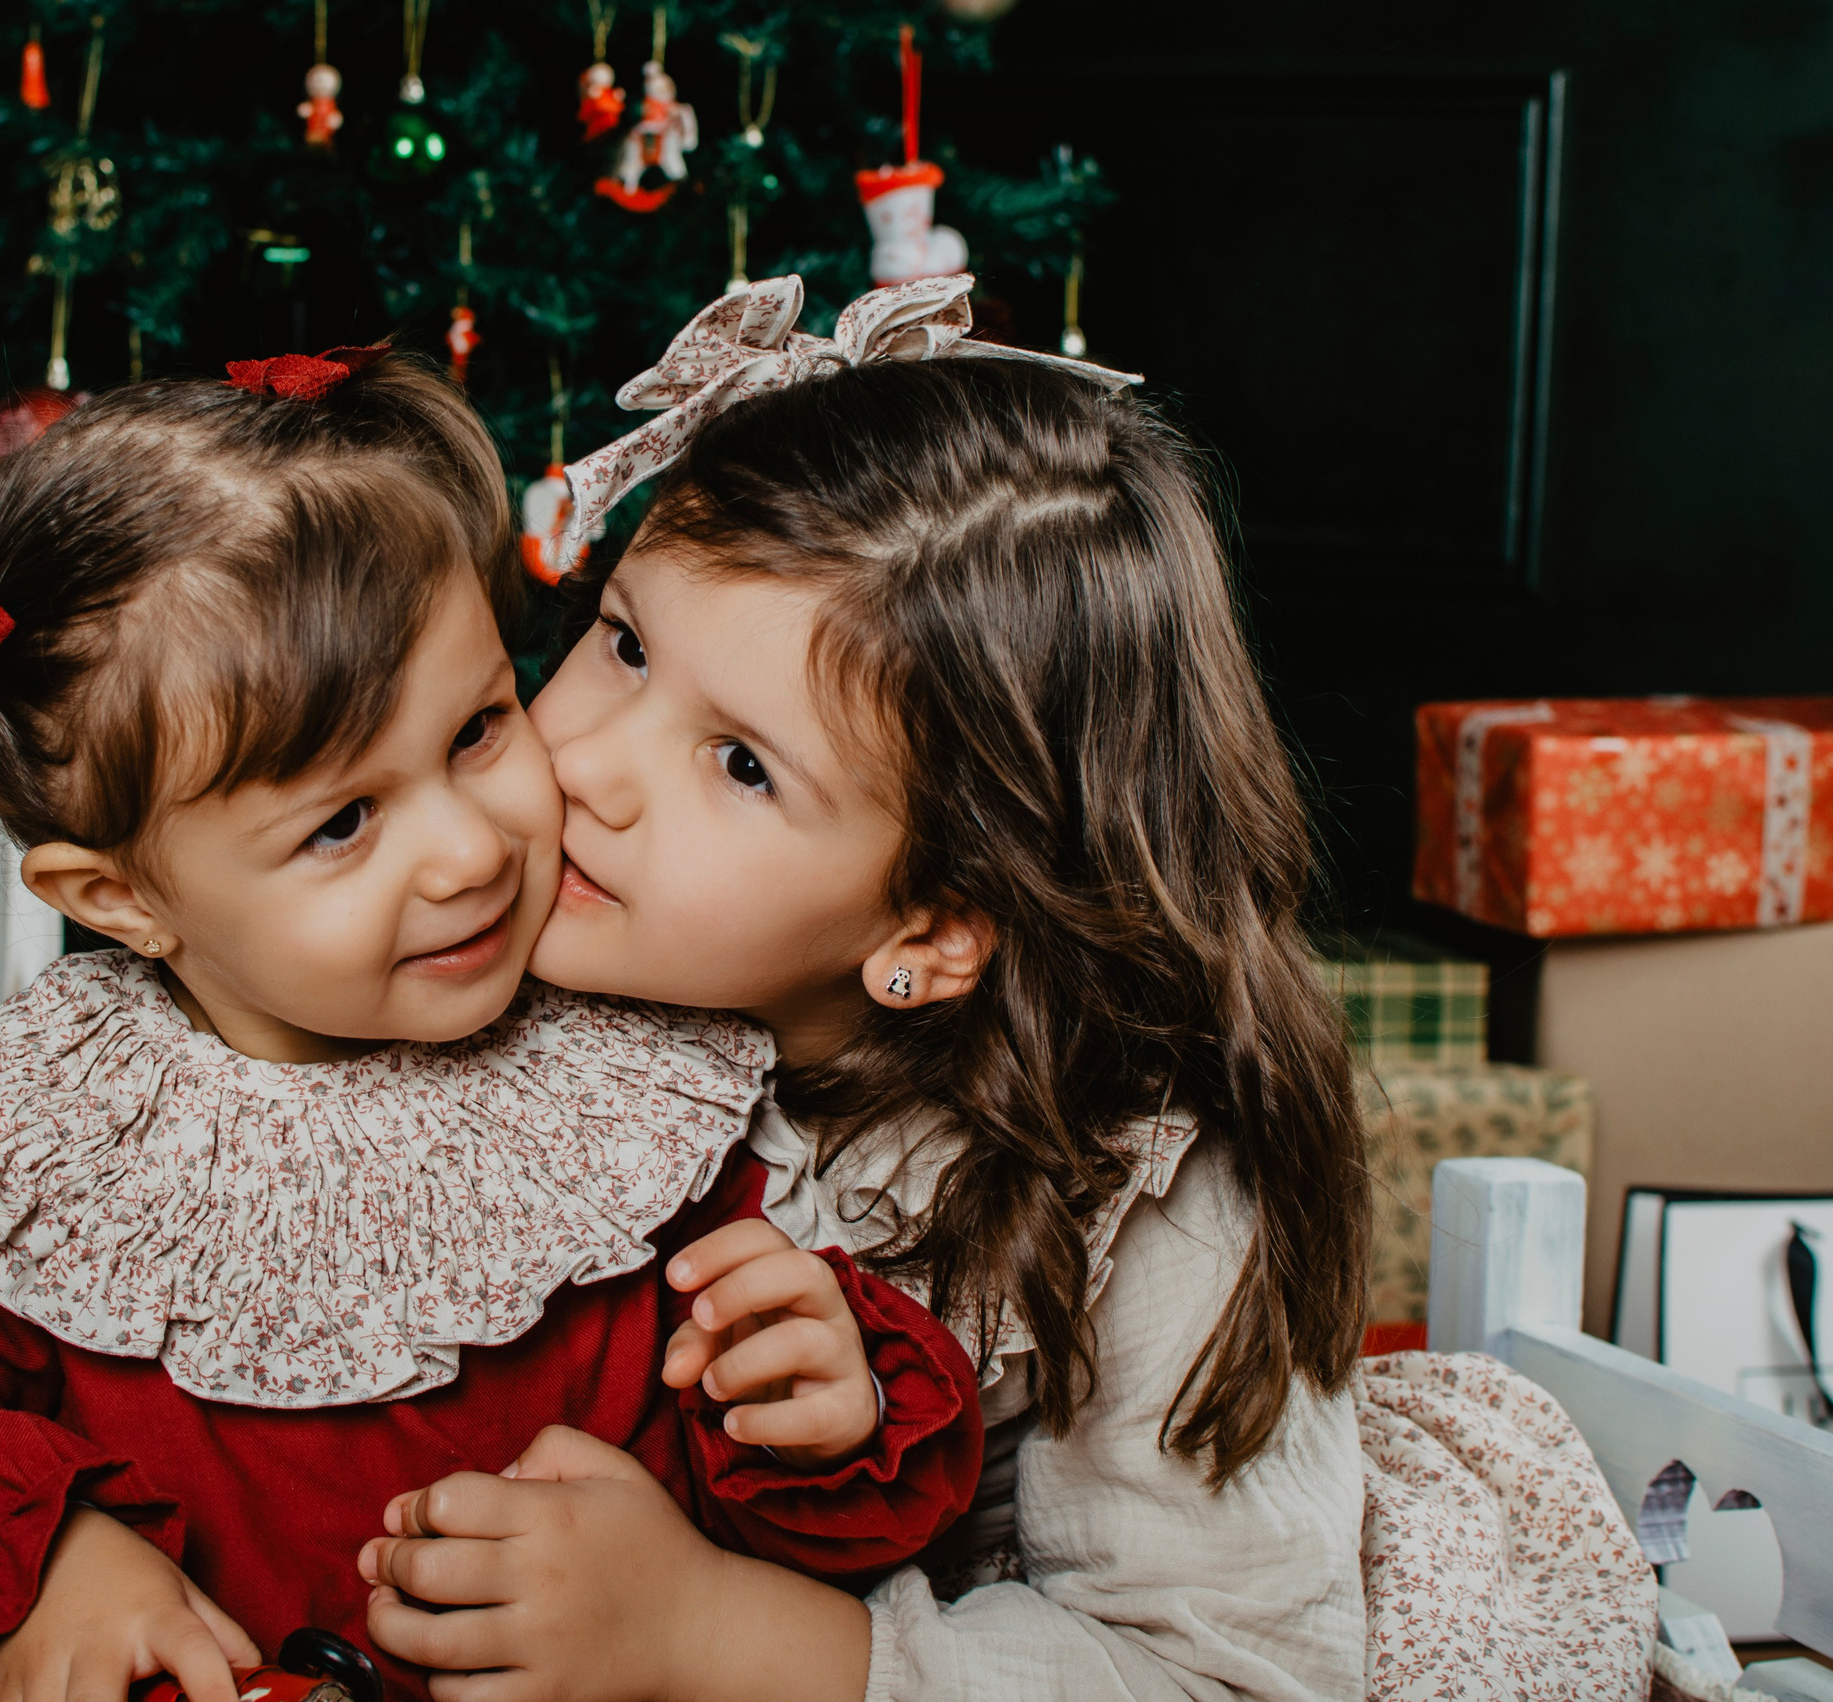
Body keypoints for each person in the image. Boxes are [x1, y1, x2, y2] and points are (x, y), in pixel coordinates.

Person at [356, 277, 1658, 1702]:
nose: (588, 764)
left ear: (933, 923)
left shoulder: (1142, 1192)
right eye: (623, 642)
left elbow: (1211, 1676)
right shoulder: (497, 967)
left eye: (741, 763)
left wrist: (706, 1635)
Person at [0, 346, 987, 1702]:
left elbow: (778, 1530)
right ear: (128, 896)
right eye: (341, 820)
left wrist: (815, 1408)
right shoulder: (52, 1155)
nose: (467, 853)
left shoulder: (635, 1090)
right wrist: (52, 1563)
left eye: (479, 729)